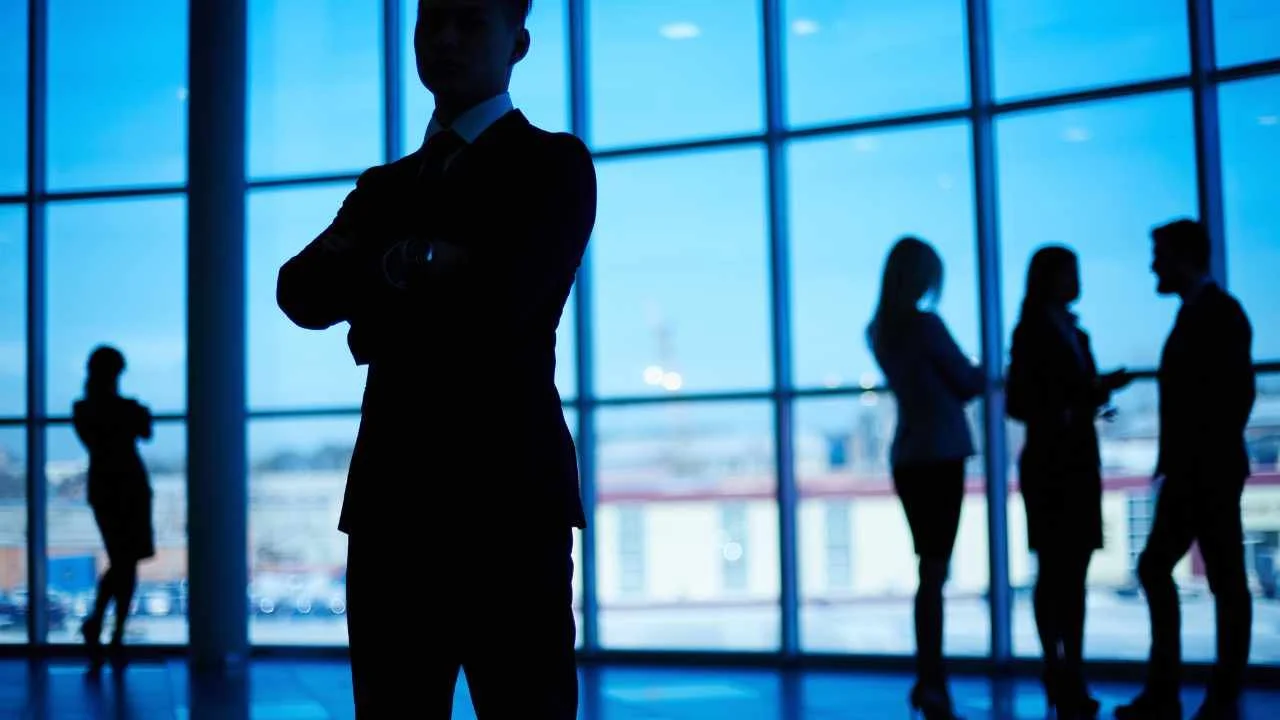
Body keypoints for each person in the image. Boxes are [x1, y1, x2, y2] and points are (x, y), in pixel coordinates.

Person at [276, 0, 596, 717]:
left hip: (508, 506)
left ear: (518, 43)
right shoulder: (384, 185)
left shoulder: (553, 163)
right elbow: (298, 293)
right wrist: (427, 263)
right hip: (396, 507)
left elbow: (505, 302)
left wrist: (380, 282)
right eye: (431, 24)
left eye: (470, 22)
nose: (445, 39)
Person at [1116, 219, 1255, 720]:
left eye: (1160, 255)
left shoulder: (1215, 314)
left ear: (1181, 258)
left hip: (1203, 470)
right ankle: (1207, 691)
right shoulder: (1210, 313)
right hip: (1201, 470)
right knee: (1218, 579)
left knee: (1198, 575)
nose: (1154, 265)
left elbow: (1231, 397)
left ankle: (1185, 691)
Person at [1007, 246, 1131, 719]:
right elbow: (1022, 400)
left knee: (1064, 569)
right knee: (1062, 569)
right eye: (1069, 273)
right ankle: (1062, 666)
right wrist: (1089, 392)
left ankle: (1062, 665)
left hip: (1067, 458)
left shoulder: (1065, 330)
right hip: (1058, 460)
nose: (1076, 280)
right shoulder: (1045, 330)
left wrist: (1087, 394)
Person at [868, 236, 983, 720]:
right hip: (941, 454)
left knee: (928, 570)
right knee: (936, 569)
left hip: (909, 453)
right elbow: (968, 383)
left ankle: (928, 677)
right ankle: (932, 679)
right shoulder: (926, 325)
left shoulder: (879, 330)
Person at [72, 345, 155, 676]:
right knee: (125, 561)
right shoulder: (120, 409)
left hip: (112, 488)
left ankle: (103, 626)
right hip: (125, 486)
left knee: (125, 561)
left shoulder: (85, 409)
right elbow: (142, 432)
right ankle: (109, 630)